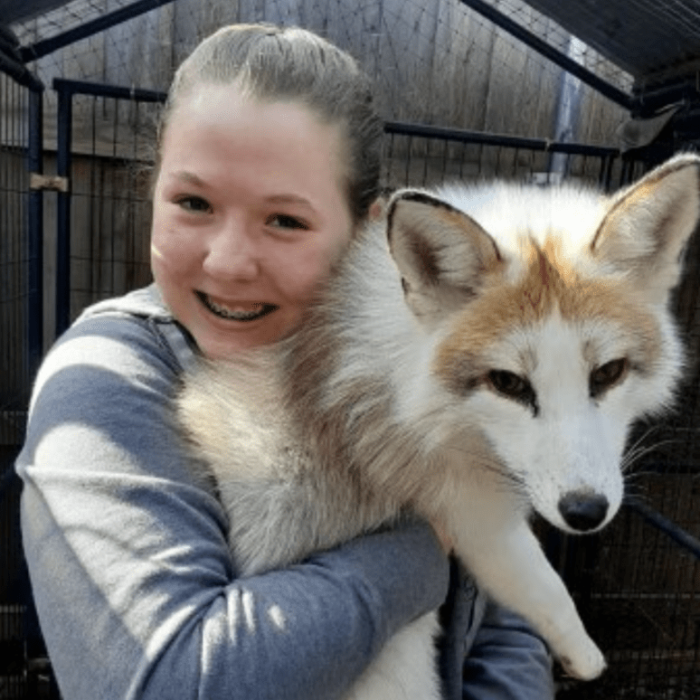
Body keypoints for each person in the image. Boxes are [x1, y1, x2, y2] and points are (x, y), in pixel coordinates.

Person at [17, 23, 555, 699]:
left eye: (285, 221)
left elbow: (507, 611)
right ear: (152, 192)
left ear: (367, 232)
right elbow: (168, 684)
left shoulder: (423, 366)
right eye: (192, 203)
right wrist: (427, 547)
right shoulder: (103, 381)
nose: (229, 262)